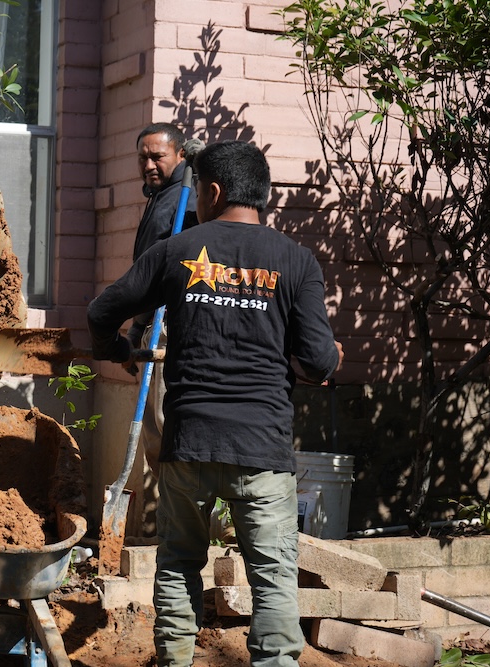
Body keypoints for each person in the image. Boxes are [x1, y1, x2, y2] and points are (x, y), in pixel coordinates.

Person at [87, 141, 343, 667]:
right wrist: (332, 356)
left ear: (213, 191)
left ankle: (175, 661)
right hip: (262, 448)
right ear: (262, 195)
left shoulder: (177, 250)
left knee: (179, 563)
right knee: (272, 576)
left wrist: (114, 350)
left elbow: (101, 311)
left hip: (189, 444)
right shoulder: (295, 260)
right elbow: (317, 362)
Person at [130, 124, 203, 483]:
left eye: (157, 157)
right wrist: (136, 327)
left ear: (180, 156)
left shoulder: (188, 201)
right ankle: (169, 517)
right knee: (154, 433)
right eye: (142, 158)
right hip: (152, 324)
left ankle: (190, 513)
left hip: (173, 325)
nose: (149, 165)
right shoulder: (160, 198)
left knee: (165, 420)